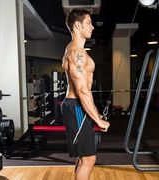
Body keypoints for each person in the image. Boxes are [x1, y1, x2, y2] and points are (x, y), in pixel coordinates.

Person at [61, 9, 110, 180]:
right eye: (88, 23)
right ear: (77, 25)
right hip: (76, 107)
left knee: (85, 157)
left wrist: (95, 114)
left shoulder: (76, 50)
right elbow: (82, 91)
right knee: (89, 159)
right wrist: (97, 119)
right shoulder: (77, 53)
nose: (92, 27)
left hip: (78, 107)